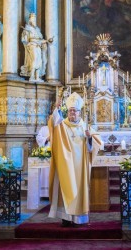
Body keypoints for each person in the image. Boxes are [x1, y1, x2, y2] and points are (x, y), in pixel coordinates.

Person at [48, 92, 103, 227]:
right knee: (66, 188)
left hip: (80, 166)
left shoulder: (85, 126)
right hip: (65, 164)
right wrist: (57, 108)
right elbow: (54, 121)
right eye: (71, 110)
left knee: (79, 189)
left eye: (75, 111)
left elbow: (97, 144)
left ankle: (79, 219)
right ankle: (66, 218)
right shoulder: (62, 125)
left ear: (80, 112)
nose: (73, 113)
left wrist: (89, 137)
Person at [20, 13, 53, 82]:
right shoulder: (27, 28)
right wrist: (26, 35)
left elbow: (40, 40)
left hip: (38, 46)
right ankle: (31, 76)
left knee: (39, 61)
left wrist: (47, 40)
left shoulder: (37, 29)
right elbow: (25, 39)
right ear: (30, 20)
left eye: (35, 19)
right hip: (32, 45)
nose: (34, 20)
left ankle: (37, 77)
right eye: (32, 19)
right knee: (34, 59)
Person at [36, 121, 50, 197]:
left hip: (57, 153)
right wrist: (47, 139)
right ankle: (45, 194)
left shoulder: (59, 128)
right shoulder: (44, 128)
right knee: (45, 173)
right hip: (46, 154)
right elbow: (38, 138)